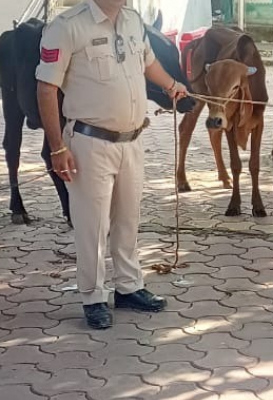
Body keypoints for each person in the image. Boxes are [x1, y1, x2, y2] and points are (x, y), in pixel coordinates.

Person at [36, 0, 188, 329]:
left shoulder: (133, 21)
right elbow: (46, 88)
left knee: (128, 219)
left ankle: (129, 287)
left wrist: (171, 86)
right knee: (92, 225)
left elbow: (148, 62)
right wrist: (57, 147)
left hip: (132, 141)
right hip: (89, 142)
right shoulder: (67, 26)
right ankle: (93, 297)